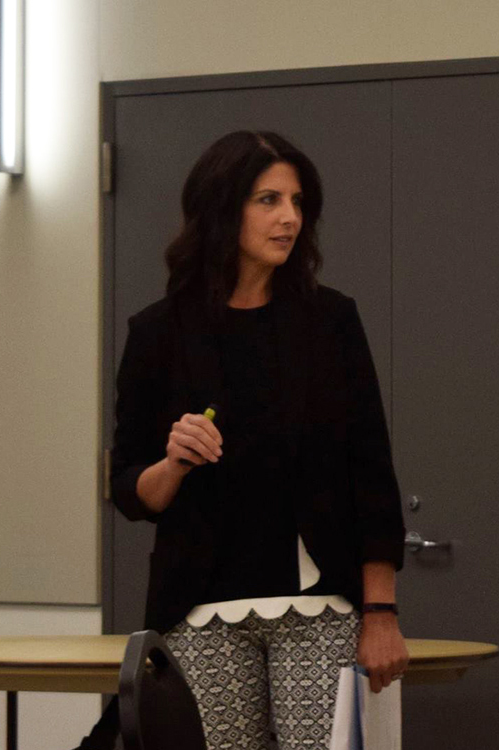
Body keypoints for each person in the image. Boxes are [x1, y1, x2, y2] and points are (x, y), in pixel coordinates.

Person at [110, 130, 408, 750]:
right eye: (269, 200)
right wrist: (172, 462)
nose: (290, 218)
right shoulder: (158, 332)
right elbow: (132, 492)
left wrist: (381, 614)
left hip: (319, 609)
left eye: (298, 202)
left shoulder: (330, 321)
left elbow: (372, 474)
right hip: (198, 613)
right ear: (222, 209)